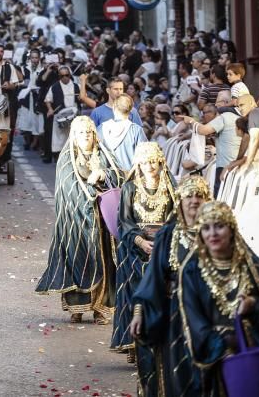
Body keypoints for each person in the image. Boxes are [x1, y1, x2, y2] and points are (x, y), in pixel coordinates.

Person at [178, 200, 259, 396]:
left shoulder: (251, 267)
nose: (213, 234)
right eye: (206, 228)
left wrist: (253, 305)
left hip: (250, 357)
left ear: (231, 228)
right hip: (210, 366)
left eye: (219, 226)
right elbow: (193, 322)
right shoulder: (192, 271)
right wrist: (223, 344)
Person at [35, 116, 123, 325]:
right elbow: (67, 189)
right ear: (74, 136)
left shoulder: (105, 156)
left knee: (106, 263)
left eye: (89, 132)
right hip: (77, 222)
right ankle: (77, 308)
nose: (85, 136)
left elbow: (119, 176)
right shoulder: (67, 160)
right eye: (81, 133)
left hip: (102, 223)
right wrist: (90, 197)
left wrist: (103, 175)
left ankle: (102, 310)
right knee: (78, 260)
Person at [130, 175, 212, 397]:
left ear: (207, 200)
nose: (194, 200)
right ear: (180, 201)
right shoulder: (169, 234)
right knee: (175, 373)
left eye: (200, 196)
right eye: (189, 196)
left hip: (207, 317)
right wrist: (139, 312)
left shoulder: (218, 232)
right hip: (172, 317)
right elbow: (152, 279)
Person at [111, 143, 177, 363]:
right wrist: (140, 242)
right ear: (138, 163)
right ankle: (132, 343)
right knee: (134, 286)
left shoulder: (169, 188)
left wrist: (161, 242)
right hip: (134, 246)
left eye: (153, 161)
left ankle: (157, 340)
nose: (149, 166)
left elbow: (175, 219)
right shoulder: (129, 188)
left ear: (160, 162)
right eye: (145, 161)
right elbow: (124, 222)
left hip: (162, 246)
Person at [98, 94, 147, 172]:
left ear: (113, 107)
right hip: (130, 180)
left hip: (107, 180)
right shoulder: (136, 130)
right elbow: (145, 156)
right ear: (131, 110)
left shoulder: (101, 129)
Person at [44, 66, 80, 157]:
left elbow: (82, 99)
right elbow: (48, 100)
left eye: (66, 75)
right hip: (60, 115)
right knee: (59, 138)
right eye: (62, 76)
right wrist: (50, 109)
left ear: (70, 75)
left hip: (73, 115)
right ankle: (59, 157)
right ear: (59, 76)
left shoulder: (76, 86)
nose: (64, 77)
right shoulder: (54, 87)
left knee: (71, 136)